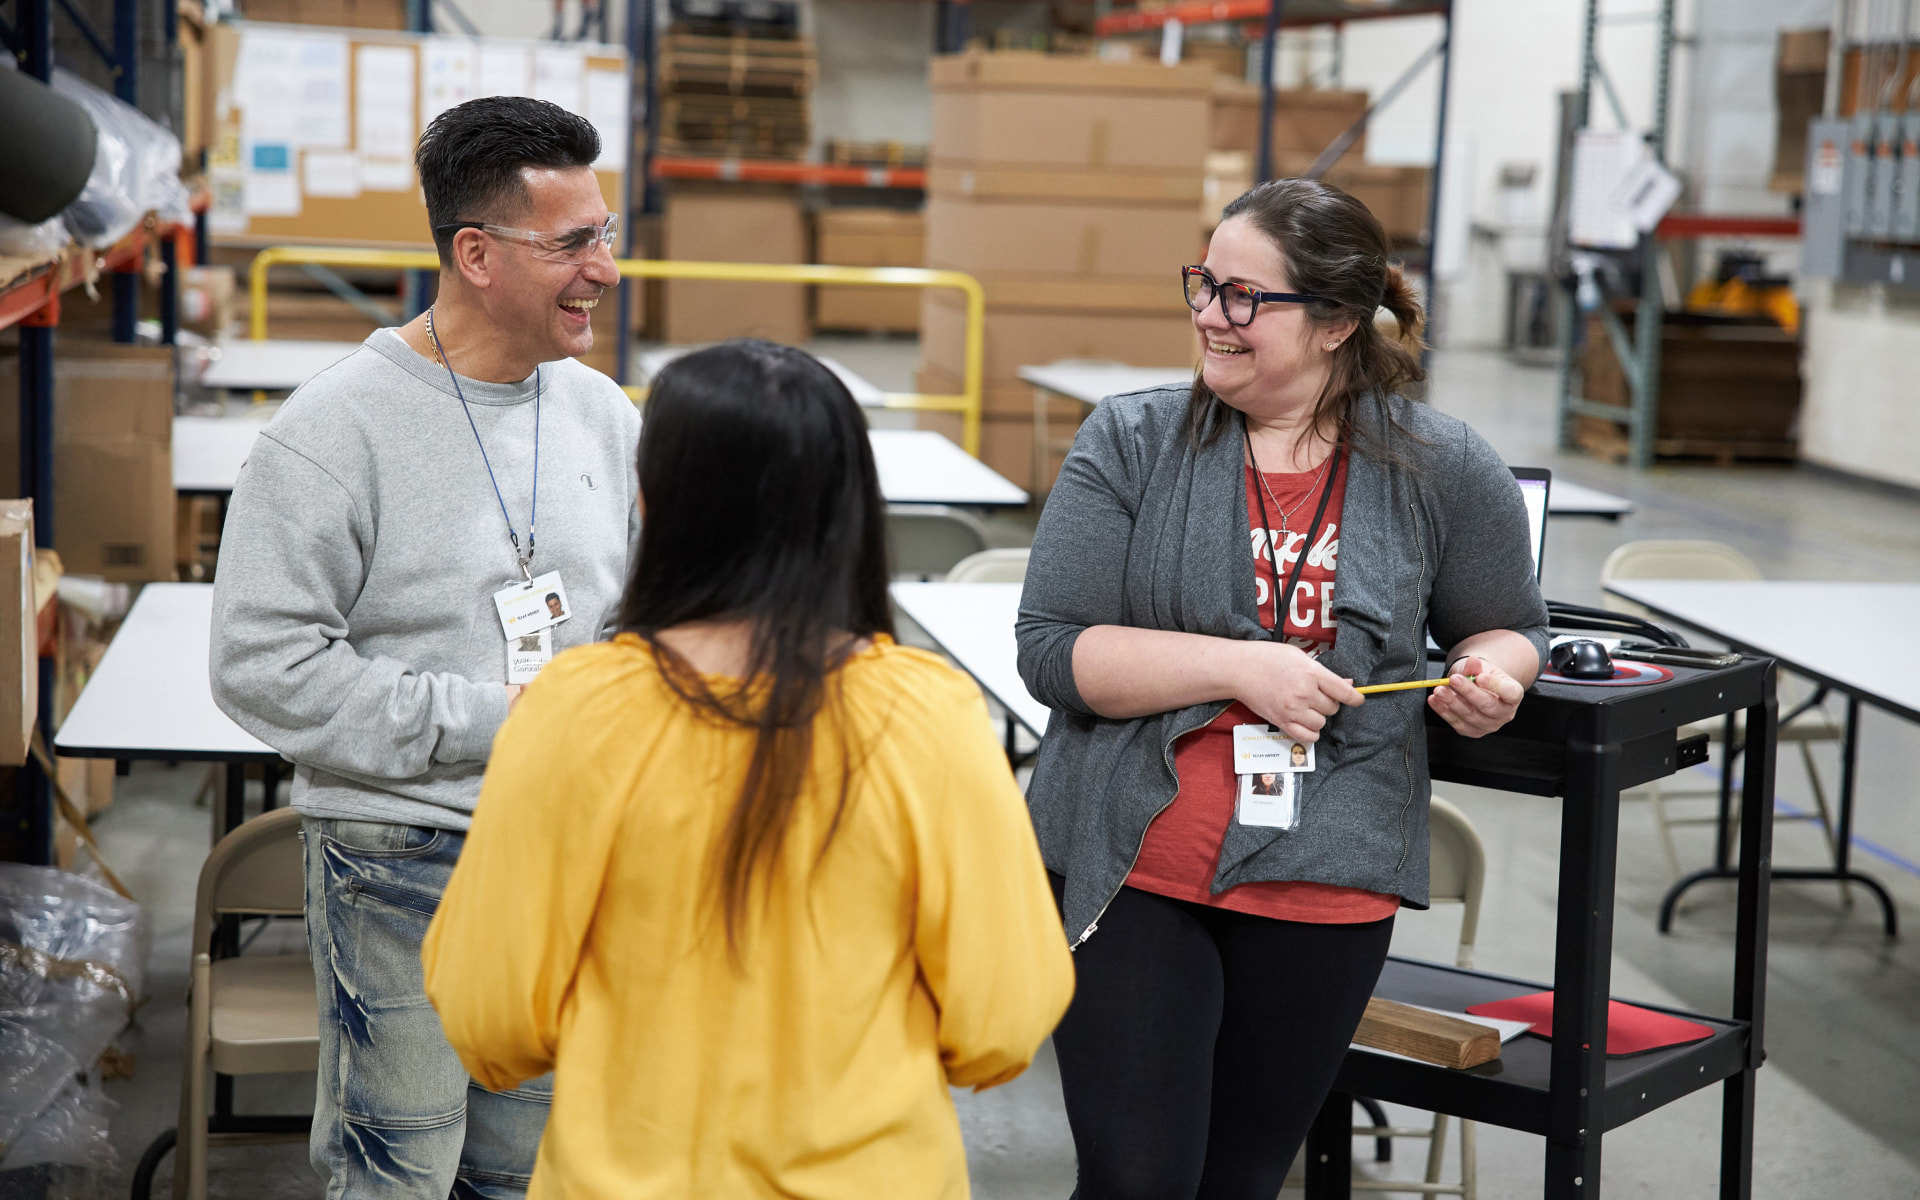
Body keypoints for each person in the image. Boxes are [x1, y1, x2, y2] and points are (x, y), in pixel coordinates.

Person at [420, 340, 1075, 1199]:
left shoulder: (572, 710)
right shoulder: (929, 718)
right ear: (849, 510)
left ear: (652, 501)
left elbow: (489, 1013)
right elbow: (1003, 1016)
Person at [1015, 177, 1548, 1199]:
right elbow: (1053, 648)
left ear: (1339, 322)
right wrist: (1238, 666)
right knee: (1135, 1181)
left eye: (1246, 298)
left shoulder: (1440, 465)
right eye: (1204, 285)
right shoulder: (1131, 439)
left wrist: (1498, 675)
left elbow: (1510, 625)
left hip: (1328, 870)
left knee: (1243, 1180)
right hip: (1136, 863)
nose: (1213, 316)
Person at [209, 96, 640, 1198]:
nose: (606, 268)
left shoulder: (603, 417)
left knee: (523, 1172)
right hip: (402, 853)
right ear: (477, 253)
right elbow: (263, 663)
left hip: (565, 850)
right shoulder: (332, 431)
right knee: (398, 1172)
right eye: (575, 243)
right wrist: (499, 720)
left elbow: (633, 621)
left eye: (607, 232)